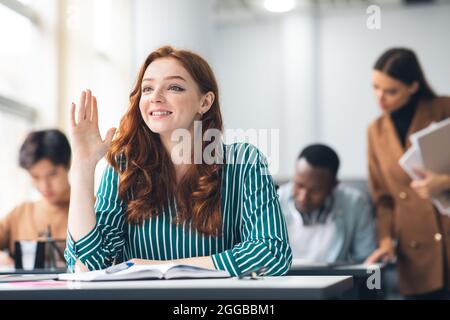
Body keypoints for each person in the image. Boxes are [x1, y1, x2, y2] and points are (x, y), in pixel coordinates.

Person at [64, 45, 292, 276]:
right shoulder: (125, 166)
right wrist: (84, 166)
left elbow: (272, 254)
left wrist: (162, 268)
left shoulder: (244, 162)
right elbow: (87, 266)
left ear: (204, 102)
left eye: (174, 87)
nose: (156, 97)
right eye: (147, 89)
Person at [365, 48, 450, 298]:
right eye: (375, 87)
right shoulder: (375, 131)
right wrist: (385, 241)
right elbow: (383, 199)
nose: (380, 97)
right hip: (414, 252)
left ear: (413, 86)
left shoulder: (445, 109)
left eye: (391, 91)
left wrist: (444, 182)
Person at [278, 144, 376, 263]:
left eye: (315, 190)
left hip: (335, 279)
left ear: (333, 185)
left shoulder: (356, 205)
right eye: (299, 185)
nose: (303, 197)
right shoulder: (272, 201)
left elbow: (366, 259)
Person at [0, 129, 71, 266]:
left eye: (52, 174)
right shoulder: (20, 213)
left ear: (67, 164)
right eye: (35, 177)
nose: (44, 186)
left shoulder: (95, 208)